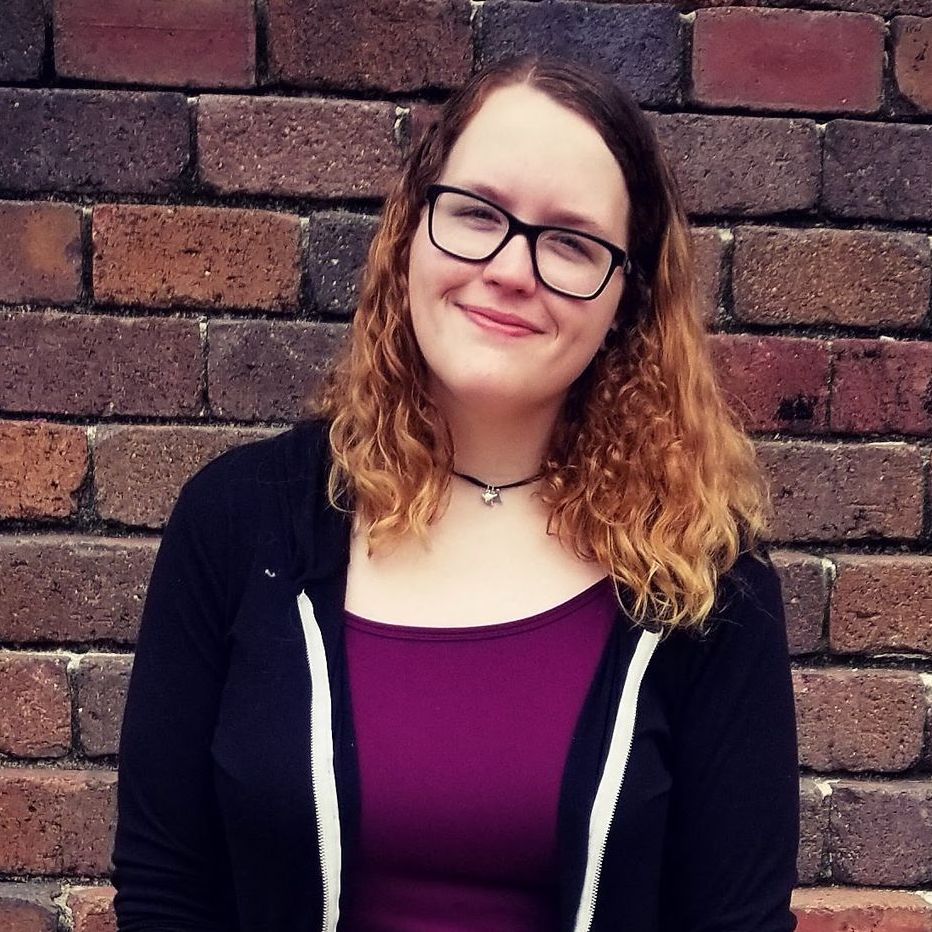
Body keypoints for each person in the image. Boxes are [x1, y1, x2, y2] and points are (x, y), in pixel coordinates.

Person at [111, 54, 799, 932]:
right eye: (476, 214)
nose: (512, 268)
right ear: (410, 234)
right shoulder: (238, 524)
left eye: (573, 242)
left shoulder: (706, 580)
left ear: (626, 300)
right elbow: (168, 893)